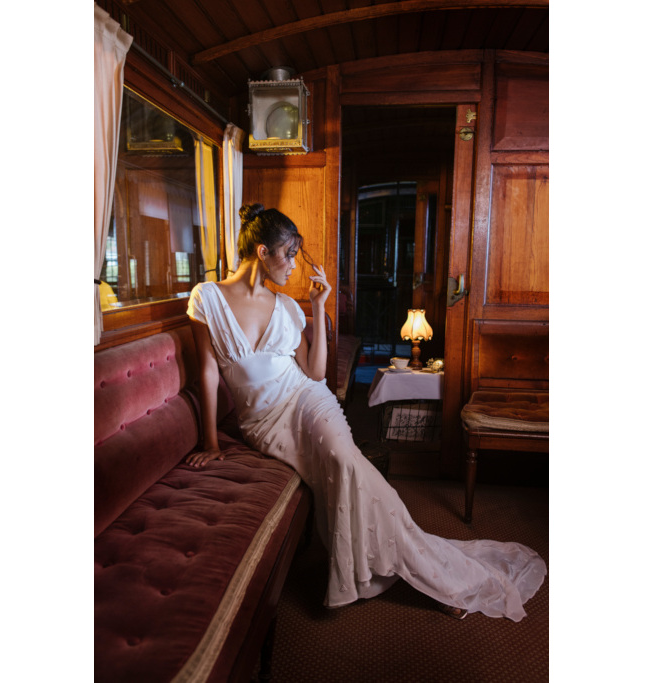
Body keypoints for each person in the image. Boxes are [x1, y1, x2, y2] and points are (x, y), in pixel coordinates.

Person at [186, 203, 546, 621]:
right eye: (289, 254)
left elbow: (316, 373)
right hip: (263, 423)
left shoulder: (286, 307)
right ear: (263, 252)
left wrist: (317, 308)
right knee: (343, 472)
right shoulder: (206, 297)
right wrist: (210, 442)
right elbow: (208, 372)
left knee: (345, 461)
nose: (293, 267)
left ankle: (432, 575)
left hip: (306, 399)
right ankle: (408, 564)